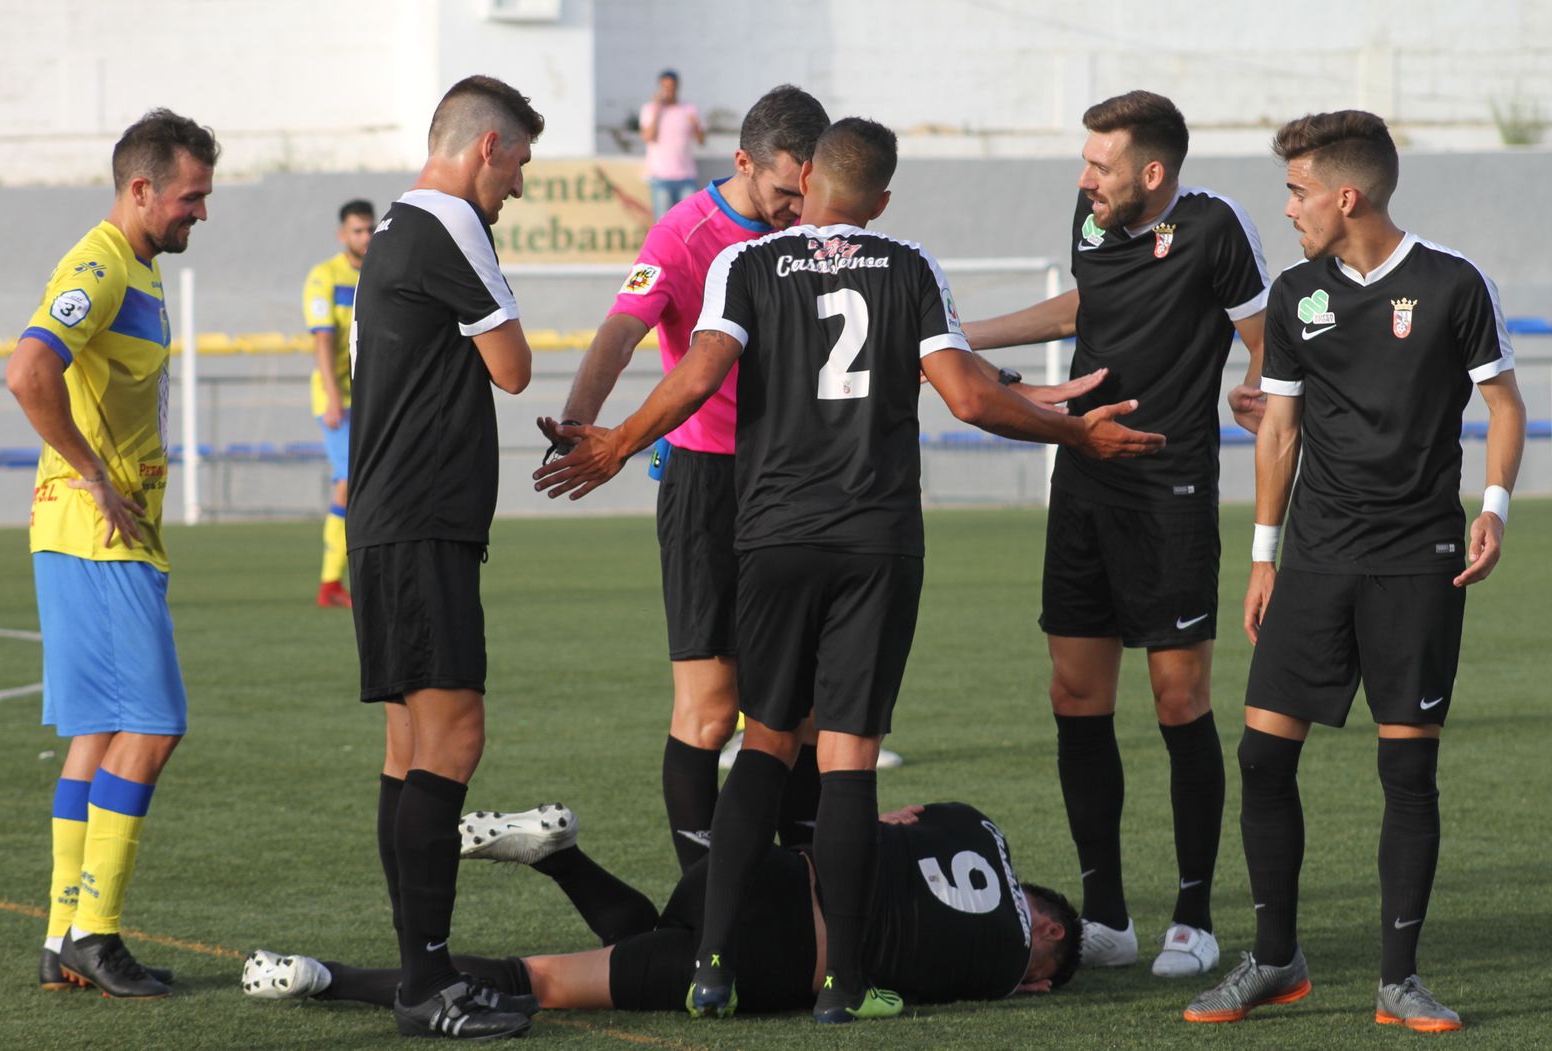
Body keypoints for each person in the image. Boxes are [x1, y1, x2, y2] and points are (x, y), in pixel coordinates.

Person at [534, 117, 1162, 1023]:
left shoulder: (747, 265)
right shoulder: (910, 263)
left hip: (774, 533)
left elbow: (702, 370)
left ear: (812, 180)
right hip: (875, 541)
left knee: (765, 741)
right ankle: (845, 982)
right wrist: (1078, 432)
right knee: (849, 763)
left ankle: (711, 962)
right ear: (882, 199)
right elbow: (970, 396)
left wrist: (621, 443)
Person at [1184, 110, 1524, 1033]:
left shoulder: (1454, 284)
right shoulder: (1295, 292)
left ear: (1348, 194)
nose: (1287, 208)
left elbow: (1504, 405)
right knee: (1261, 756)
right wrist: (1263, 554)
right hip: (1316, 556)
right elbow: (1280, 429)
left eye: (1297, 191)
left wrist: (1493, 506)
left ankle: (1399, 979)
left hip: (1420, 559)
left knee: (1407, 772)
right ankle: (1276, 958)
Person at [963, 90, 1270, 978]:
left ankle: (1194, 915)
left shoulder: (1214, 228)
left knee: (1179, 700)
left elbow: (1263, 336)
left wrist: (1257, 388)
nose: (1083, 178)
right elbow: (1081, 307)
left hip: (1168, 491)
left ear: (1153, 173)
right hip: (1084, 480)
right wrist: (959, 334)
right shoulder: (1092, 217)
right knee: (1074, 693)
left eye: (1100, 165)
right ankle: (1106, 914)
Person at [541, 84, 832, 875]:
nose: (794, 210)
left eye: (807, 192)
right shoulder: (684, 233)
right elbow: (619, 332)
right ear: (742, 162)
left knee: (799, 711)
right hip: (709, 484)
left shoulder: (819, 230)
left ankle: (801, 889)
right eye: (781, 192)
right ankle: (706, 903)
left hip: (800, 483)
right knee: (709, 709)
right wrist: (579, 417)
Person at [5, 109, 219, 999]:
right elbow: (28, 370)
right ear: (141, 189)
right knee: (154, 726)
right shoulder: (96, 262)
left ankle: (62, 933)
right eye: (190, 196)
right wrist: (96, 476)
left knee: (99, 729)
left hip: (81, 535)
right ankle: (97, 929)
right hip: (98, 538)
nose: (200, 213)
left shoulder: (137, 266)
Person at [346, 74, 541, 1041]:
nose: (518, 186)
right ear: (488, 145)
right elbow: (514, 366)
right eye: (519, 166)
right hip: (422, 519)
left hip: (387, 519)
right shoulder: (449, 222)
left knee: (409, 749)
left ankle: (418, 968)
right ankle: (427, 982)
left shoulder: (389, 227)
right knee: (455, 740)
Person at [243, 800, 1082, 1015]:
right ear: (1046, 932)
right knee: (539, 980)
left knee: (657, 941)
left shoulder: (976, 823)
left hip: (747, 880)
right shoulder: (1008, 964)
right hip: (784, 952)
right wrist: (1019, 976)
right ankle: (325, 977)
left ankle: (564, 857)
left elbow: (882, 815)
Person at [301, 198, 374, 608]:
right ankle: (330, 582)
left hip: (369, 398)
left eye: (368, 229)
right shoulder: (324, 277)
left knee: (352, 484)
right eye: (357, 231)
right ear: (342, 235)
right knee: (349, 482)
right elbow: (323, 340)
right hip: (337, 401)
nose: (364, 237)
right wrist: (333, 397)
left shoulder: (379, 272)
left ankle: (336, 581)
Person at [640, 69, 705, 219]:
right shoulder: (649, 109)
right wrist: (657, 110)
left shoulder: (689, 109)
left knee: (689, 221)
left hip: (686, 176)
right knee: (664, 223)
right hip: (660, 177)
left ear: (677, 87)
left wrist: (696, 127)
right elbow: (648, 137)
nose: (668, 91)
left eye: (672, 87)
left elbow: (701, 141)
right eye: (665, 87)